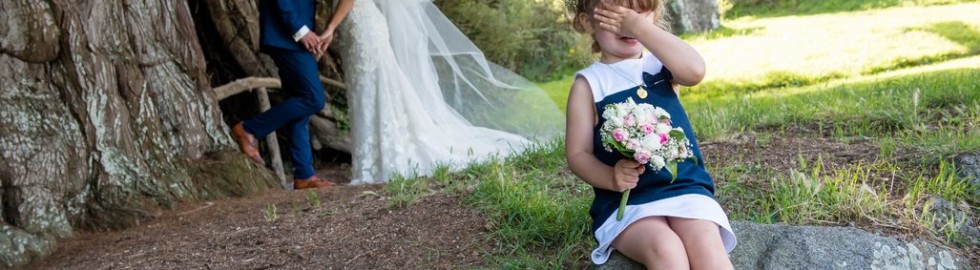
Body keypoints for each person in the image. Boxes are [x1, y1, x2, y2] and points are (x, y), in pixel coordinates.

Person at [564, 0, 736, 268]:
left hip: (684, 188)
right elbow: (577, 153)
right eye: (618, 12)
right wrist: (610, 177)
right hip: (631, 202)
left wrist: (640, 28)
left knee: (705, 243)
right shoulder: (590, 84)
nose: (628, 21)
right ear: (588, 22)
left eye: (640, 10)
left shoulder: (660, 65)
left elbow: (695, 71)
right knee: (666, 249)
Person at [327, 0, 564, 184]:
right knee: (366, 91)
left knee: (377, 87)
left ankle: (381, 159)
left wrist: (330, 27)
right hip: (353, 25)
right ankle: (369, 162)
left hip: (360, 23)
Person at [231, 0, 351, 190]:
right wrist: (301, 31)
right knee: (313, 99)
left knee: (299, 106)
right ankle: (249, 129)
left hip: (292, 34)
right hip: (286, 34)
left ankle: (303, 175)